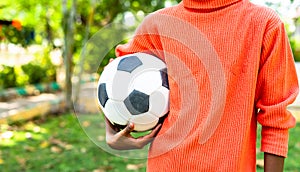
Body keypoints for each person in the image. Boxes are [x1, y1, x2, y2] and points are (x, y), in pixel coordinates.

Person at [105, 0, 299, 171]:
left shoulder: (264, 24)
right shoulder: (156, 25)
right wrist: (112, 131)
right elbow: (113, 82)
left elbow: (275, 118)